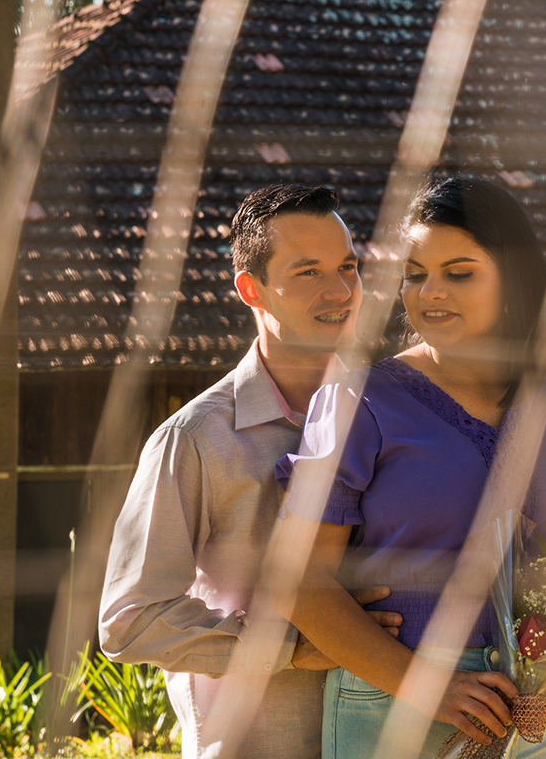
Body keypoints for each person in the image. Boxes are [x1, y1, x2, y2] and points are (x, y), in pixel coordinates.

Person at [275, 177, 546, 759]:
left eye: (459, 272)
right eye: (415, 274)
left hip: (540, 718)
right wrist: (431, 687)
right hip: (392, 707)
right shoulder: (359, 404)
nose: (430, 293)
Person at [99, 184, 402, 759]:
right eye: (308, 272)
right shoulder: (194, 439)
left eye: (348, 267)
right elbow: (129, 620)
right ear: (250, 289)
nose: (341, 292)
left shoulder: (398, 417)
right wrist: (288, 648)